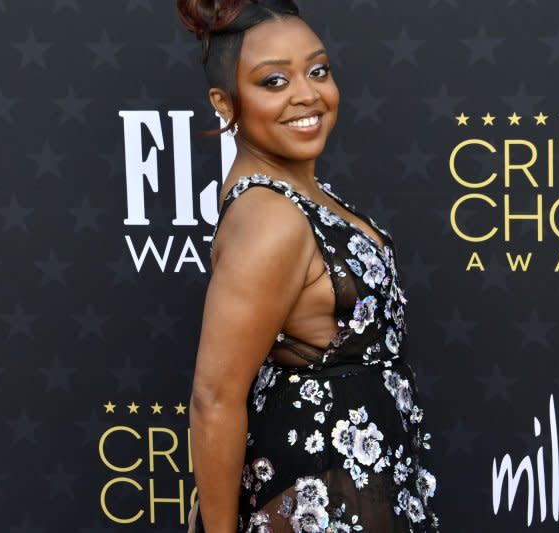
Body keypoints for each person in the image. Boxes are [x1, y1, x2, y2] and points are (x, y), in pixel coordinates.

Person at [178, 1, 441, 531]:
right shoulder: (270, 219)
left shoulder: (297, 193)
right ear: (224, 103)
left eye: (317, 70)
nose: (307, 94)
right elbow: (215, 400)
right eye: (274, 81)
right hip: (315, 504)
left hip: (361, 489)